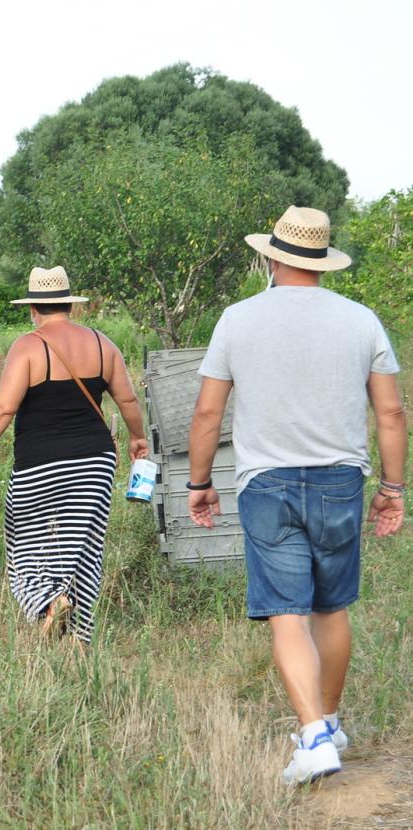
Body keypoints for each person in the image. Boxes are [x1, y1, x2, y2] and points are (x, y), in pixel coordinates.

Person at [186, 206, 406, 785]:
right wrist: (391, 488)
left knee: (287, 612)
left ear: (271, 257)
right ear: (323, 263)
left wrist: (200, 483)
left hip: (267, 484)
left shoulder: (237, 319)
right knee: (331, 608)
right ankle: (329, 723)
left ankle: (312, 738)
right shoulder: (362, 321)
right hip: (340, 482)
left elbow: (208, 411)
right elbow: (390, 412)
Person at [0, 266, 148, 642]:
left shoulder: (28, 347)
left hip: (39, 463)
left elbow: (2, 410)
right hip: (95, 462)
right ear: (70, 306)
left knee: (26, 544)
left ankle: (48, 601)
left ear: (33, 309)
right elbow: (127, 398)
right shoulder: (102, 343)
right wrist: (137, 438)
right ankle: (77, 637)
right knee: (84, 549)